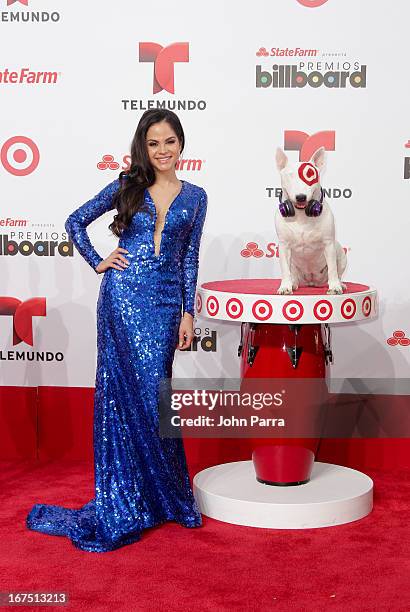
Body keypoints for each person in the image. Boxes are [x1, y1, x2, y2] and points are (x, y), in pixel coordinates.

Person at [26, 109, 207, 552]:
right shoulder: (128, 185)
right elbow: (75, 220)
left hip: (166, 304)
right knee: (130, 396)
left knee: (156, 394)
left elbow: (189, 259)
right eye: (153, 143)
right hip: (123, 299)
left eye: (169, 141)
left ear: (181, 144)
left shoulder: (197, 196)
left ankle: (165, 497)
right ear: (142, 148)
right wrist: (98, 259)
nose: (162, 150)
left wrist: (187, 313)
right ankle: (141, 499)